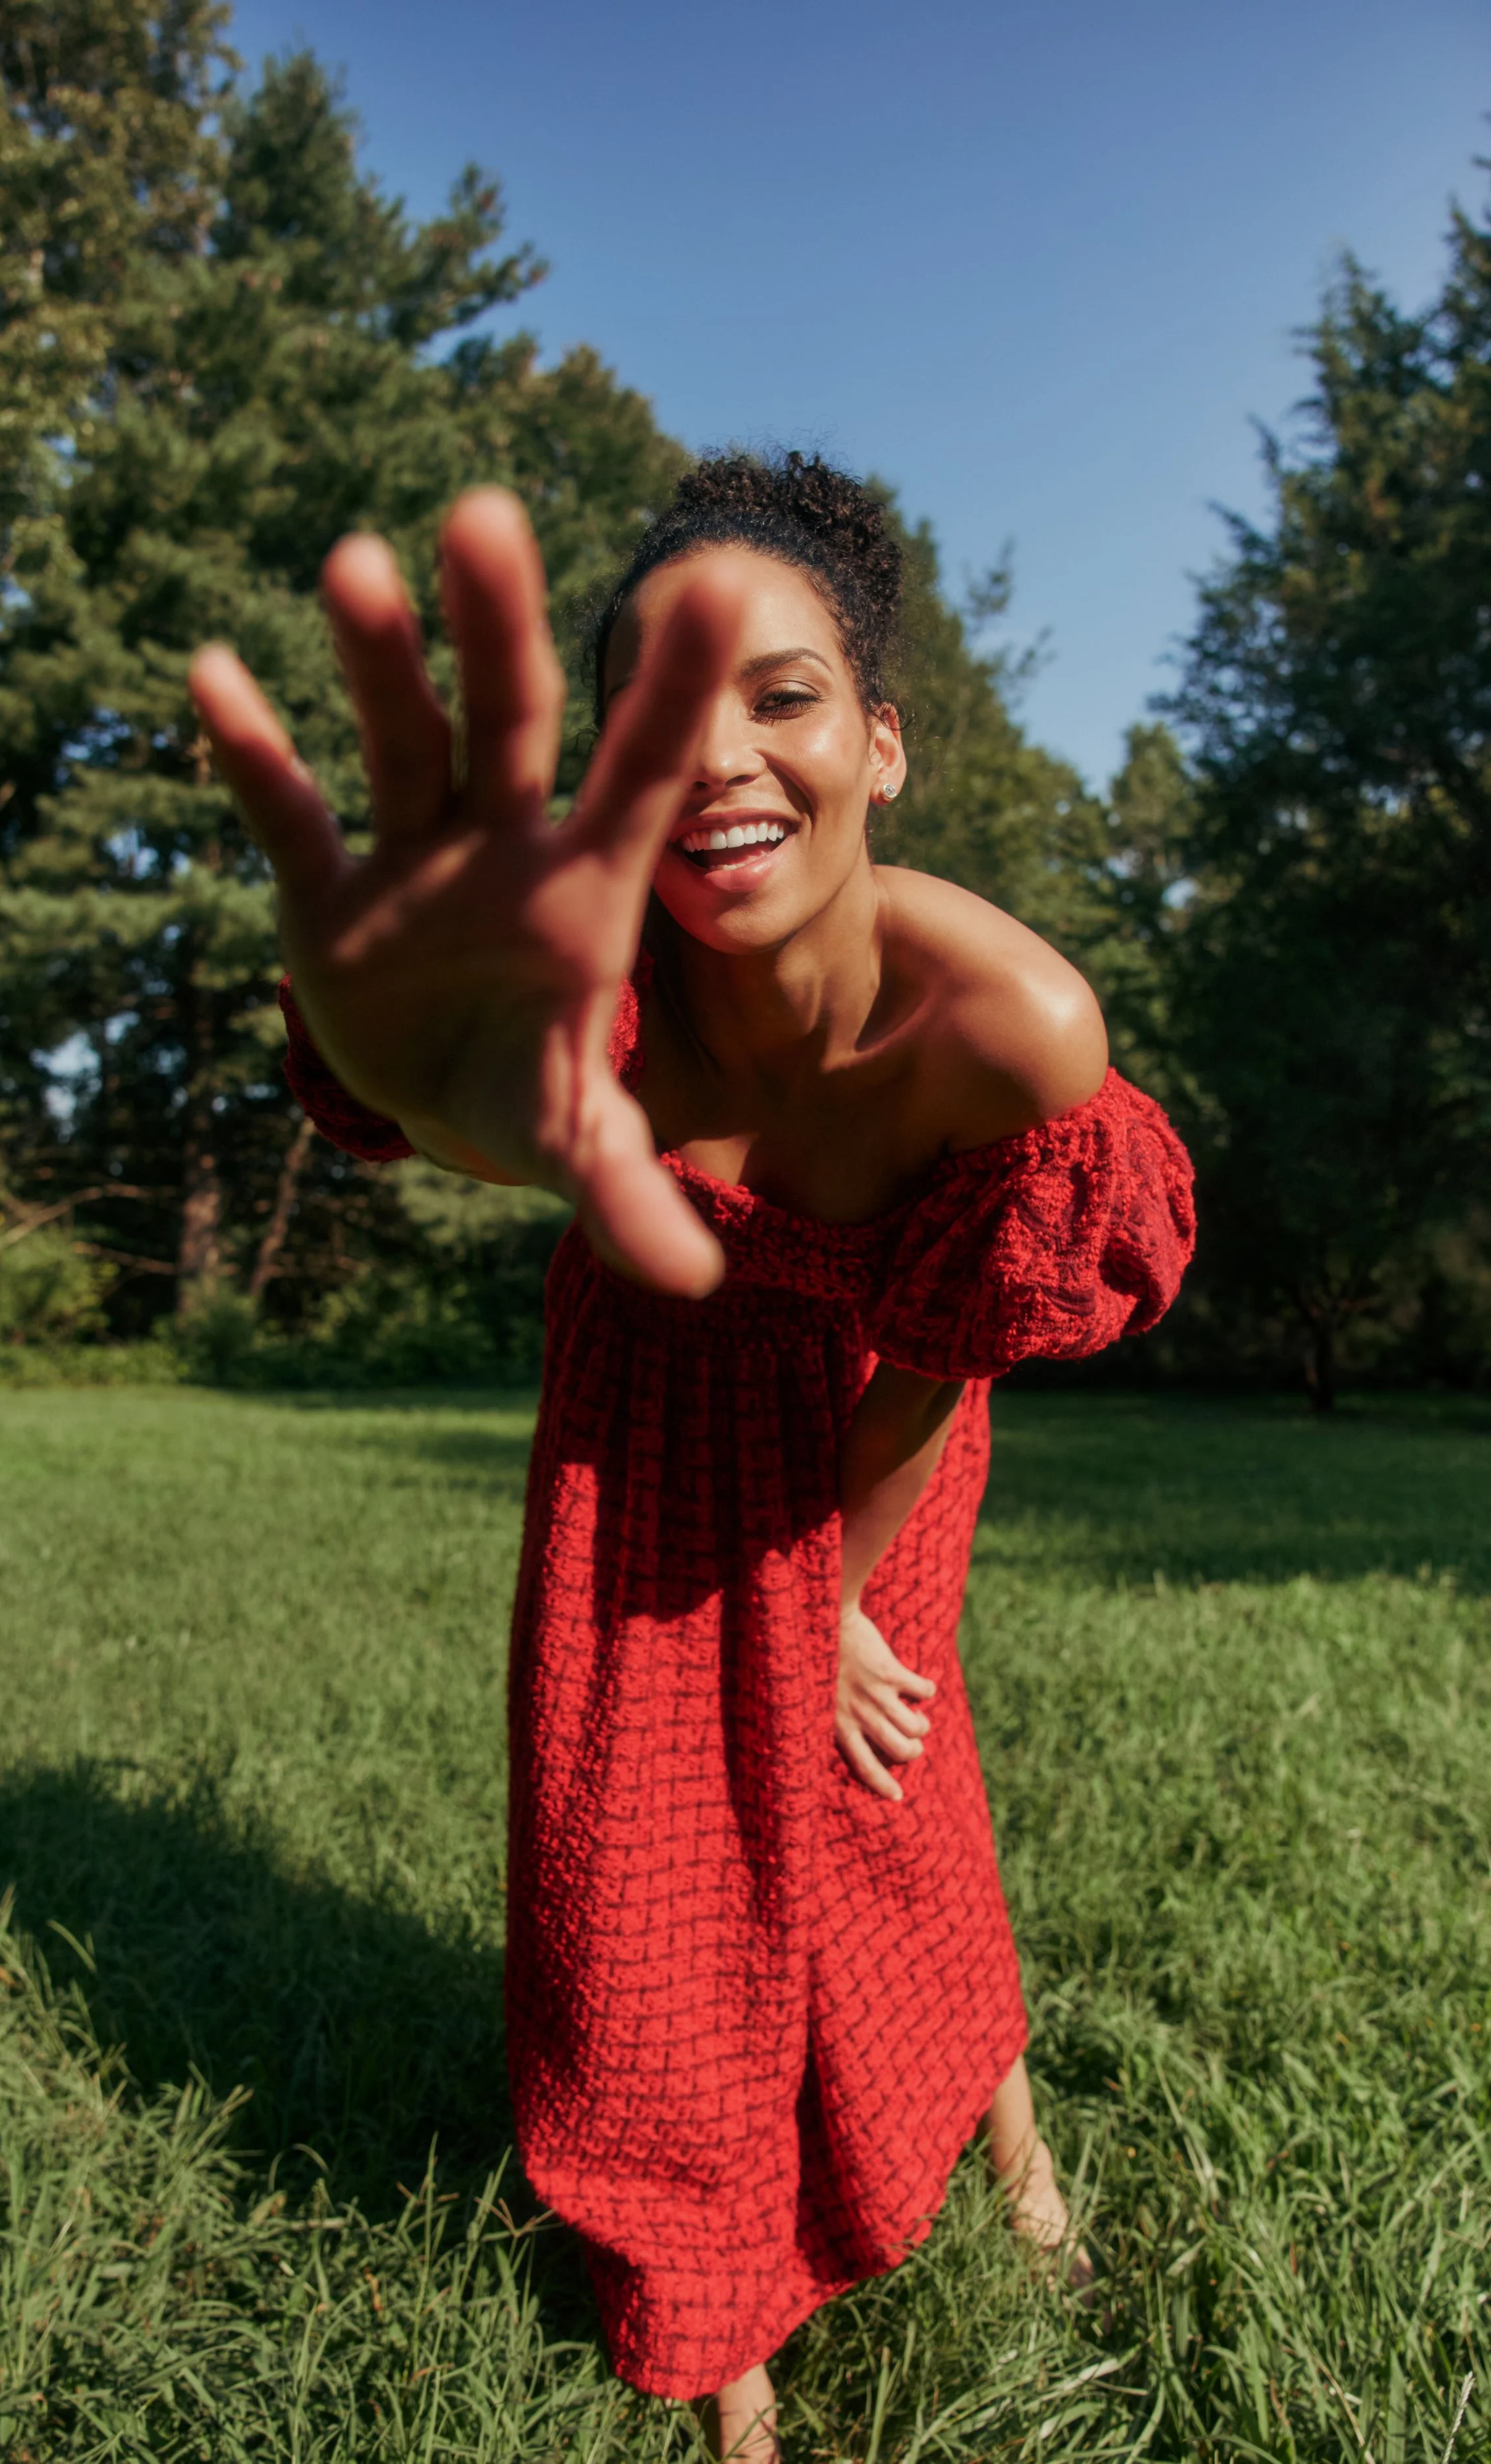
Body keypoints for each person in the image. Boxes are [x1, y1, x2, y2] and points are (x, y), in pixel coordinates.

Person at [189, 453, 1194, 2459]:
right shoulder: (595, 988)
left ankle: (1005, 2144)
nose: (720, 754)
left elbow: (940, 1342)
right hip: (649, 1391)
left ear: (881, 743)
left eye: (783, 694)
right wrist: (390, 1048)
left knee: (882, 1793)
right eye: (660, 704)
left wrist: (822, 1590)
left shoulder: (1005, 1027)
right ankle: (714, 2327)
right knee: (627, 1861)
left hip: (879, 1412)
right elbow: (492, 1106)